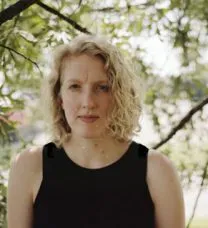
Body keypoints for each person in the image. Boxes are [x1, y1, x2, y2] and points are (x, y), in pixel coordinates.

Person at [7, 34, 185, 228]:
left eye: (102, 87)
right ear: (59, 97)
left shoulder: (158, 171)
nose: (88, 103)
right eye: (75, 87)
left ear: (119, 95)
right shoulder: (28, 167)